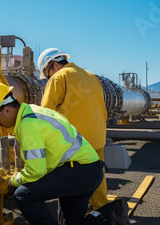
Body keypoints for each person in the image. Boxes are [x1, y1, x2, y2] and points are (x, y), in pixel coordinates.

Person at [0, 81, 104, 224]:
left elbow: (36, 171)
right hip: (88, 168)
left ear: (6, 110)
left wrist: (14, 181)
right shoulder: (33, 111)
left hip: (79, 171)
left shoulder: (27, 124)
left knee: (23, 195)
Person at [38, 48, 109, 211]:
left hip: (77, 143)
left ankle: (76, 215)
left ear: (54, 65)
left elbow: (45, 113)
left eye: (47, 73)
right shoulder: (91, 76)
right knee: (97, 176)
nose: (48, 77)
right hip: (98, 137)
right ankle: (103, 212)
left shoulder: (59, 77)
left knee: (71, 180)